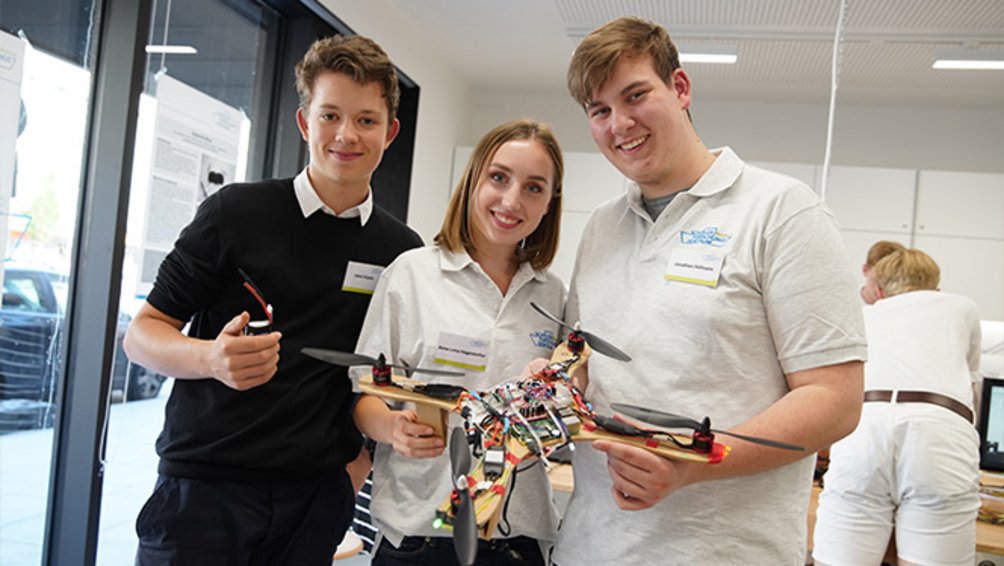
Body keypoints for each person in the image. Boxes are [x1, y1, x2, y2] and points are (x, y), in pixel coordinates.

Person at [553, 16, 867, 564]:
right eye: (599, 111)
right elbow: (582, 358)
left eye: (635, 96)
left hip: (720, 551)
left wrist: (693, 462)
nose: (619, 123)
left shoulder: (783, 212)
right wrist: (555, 378)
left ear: (680, 88)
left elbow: (835, 402)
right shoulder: (601, 227)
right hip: (592, 544)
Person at [123, 34, 423, 566]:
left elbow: (388, 374)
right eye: (330, 115)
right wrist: (207, 358)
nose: (346, 135)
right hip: (205, 491)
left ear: (390, 131)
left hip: (314, 500)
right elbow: (142, 334)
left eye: (366, 120)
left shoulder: (402, 251)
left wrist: (356, 464)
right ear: (305, 122)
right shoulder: (234, 213)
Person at [351, 119, 566, 565]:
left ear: (550, 203)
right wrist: (392, 429)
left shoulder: (552, 294)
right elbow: (362, 398)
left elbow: (565, 400)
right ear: (473, 180)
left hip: (517, 540)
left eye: (533, 187)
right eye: (499, 177)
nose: (511, 201)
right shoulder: (411, 275)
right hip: (420, 536)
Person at [813, 249, 981, 566]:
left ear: (879, 291)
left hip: (863, 429)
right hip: (939, 432)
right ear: (937, 289)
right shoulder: (963, 307)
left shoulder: (863, 315)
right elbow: (972, 383)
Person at [860, 240, 906, 305]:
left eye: (894, 277)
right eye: (880, 276)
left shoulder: (904, 304)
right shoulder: (848, 301)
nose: (886, 285)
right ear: (865, 270)